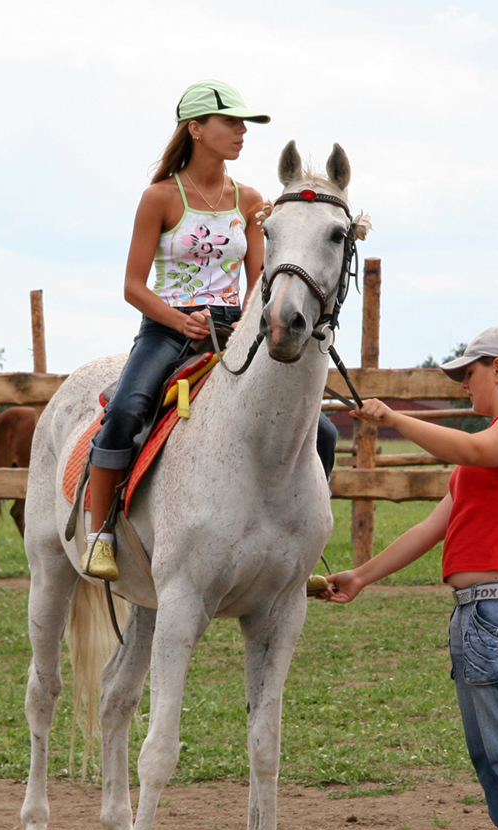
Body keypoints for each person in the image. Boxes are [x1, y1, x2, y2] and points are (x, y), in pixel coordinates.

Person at [319, 325, 498, 830]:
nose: (463, 386)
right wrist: (362, 575)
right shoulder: (486, 452)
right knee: (491, 751)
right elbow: (431, 530)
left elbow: (473, 449)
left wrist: (396, 420)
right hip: (479, 612)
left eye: (469, 374)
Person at [82, 79, 337, 582]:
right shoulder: (159, 198)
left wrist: (246, 320)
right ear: (196, 129)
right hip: (167, 329)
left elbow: (261, 278)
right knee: (130, 406)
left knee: (322, 430)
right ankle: (100, 535)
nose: (242, 132)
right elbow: (133, 287)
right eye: (231, 122)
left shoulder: (252, 200)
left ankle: (298, 543)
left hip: (237, 330)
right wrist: (180, 320)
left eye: (245, 124)